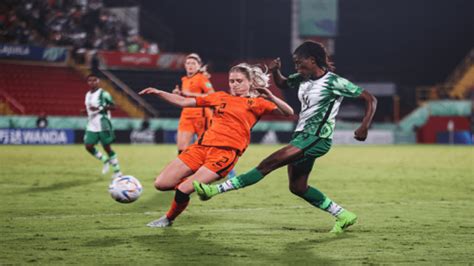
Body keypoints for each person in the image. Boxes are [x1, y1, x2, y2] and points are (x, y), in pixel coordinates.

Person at [193, 41, 377, 234]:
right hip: (302, 136)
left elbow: (370, 98)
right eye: (295, 64)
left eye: (299, 63)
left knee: (268, 164)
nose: (297, 68)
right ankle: (343, 215)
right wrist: (275, 72)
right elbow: (283, 83)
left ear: (312, 60)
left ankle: (214, 190)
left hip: (317, 138)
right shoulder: (303, 78)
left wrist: (364, 126)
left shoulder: (333, 82)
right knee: (298, 187)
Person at [138, 63, 294, 228]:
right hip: (200, 148)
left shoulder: (257, 103)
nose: (234, 85)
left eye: (239, 81)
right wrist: (160, 93)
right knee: (161, 184)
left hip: (224, 154)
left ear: (250, 82)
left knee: (183, 189)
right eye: (231, 81)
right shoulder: (220, 97)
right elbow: (184, 102)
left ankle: (168, 219)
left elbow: (288, 112)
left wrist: (271, 96)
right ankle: (198, 186)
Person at [82, 73, 122, 178]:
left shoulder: (103, 94)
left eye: (94, 80)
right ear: (88, 82)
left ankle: (117, 171)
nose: (92, 82)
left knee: (107, 147)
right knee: (88, 146)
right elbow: (90, 109)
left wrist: (99, 108)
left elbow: (114, 106)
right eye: (89, 80)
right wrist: (85, 111)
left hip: (103, 123)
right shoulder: (87, 95)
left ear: (98, 81)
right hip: (91, 124)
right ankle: (105, 160)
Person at [174, 53, 215, 154]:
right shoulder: (184, 80)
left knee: (205, 148)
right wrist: (179, 94)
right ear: (185, 65)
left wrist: (190, 94)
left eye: (193, 63)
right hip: (186, 115)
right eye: (188, 63)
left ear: (199, 66)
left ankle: (212, 169)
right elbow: (186, 99)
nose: (190, 65)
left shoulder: (202, 78)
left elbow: (212, 96)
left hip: (201, 116)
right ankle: (184, 169)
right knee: (182, 148)